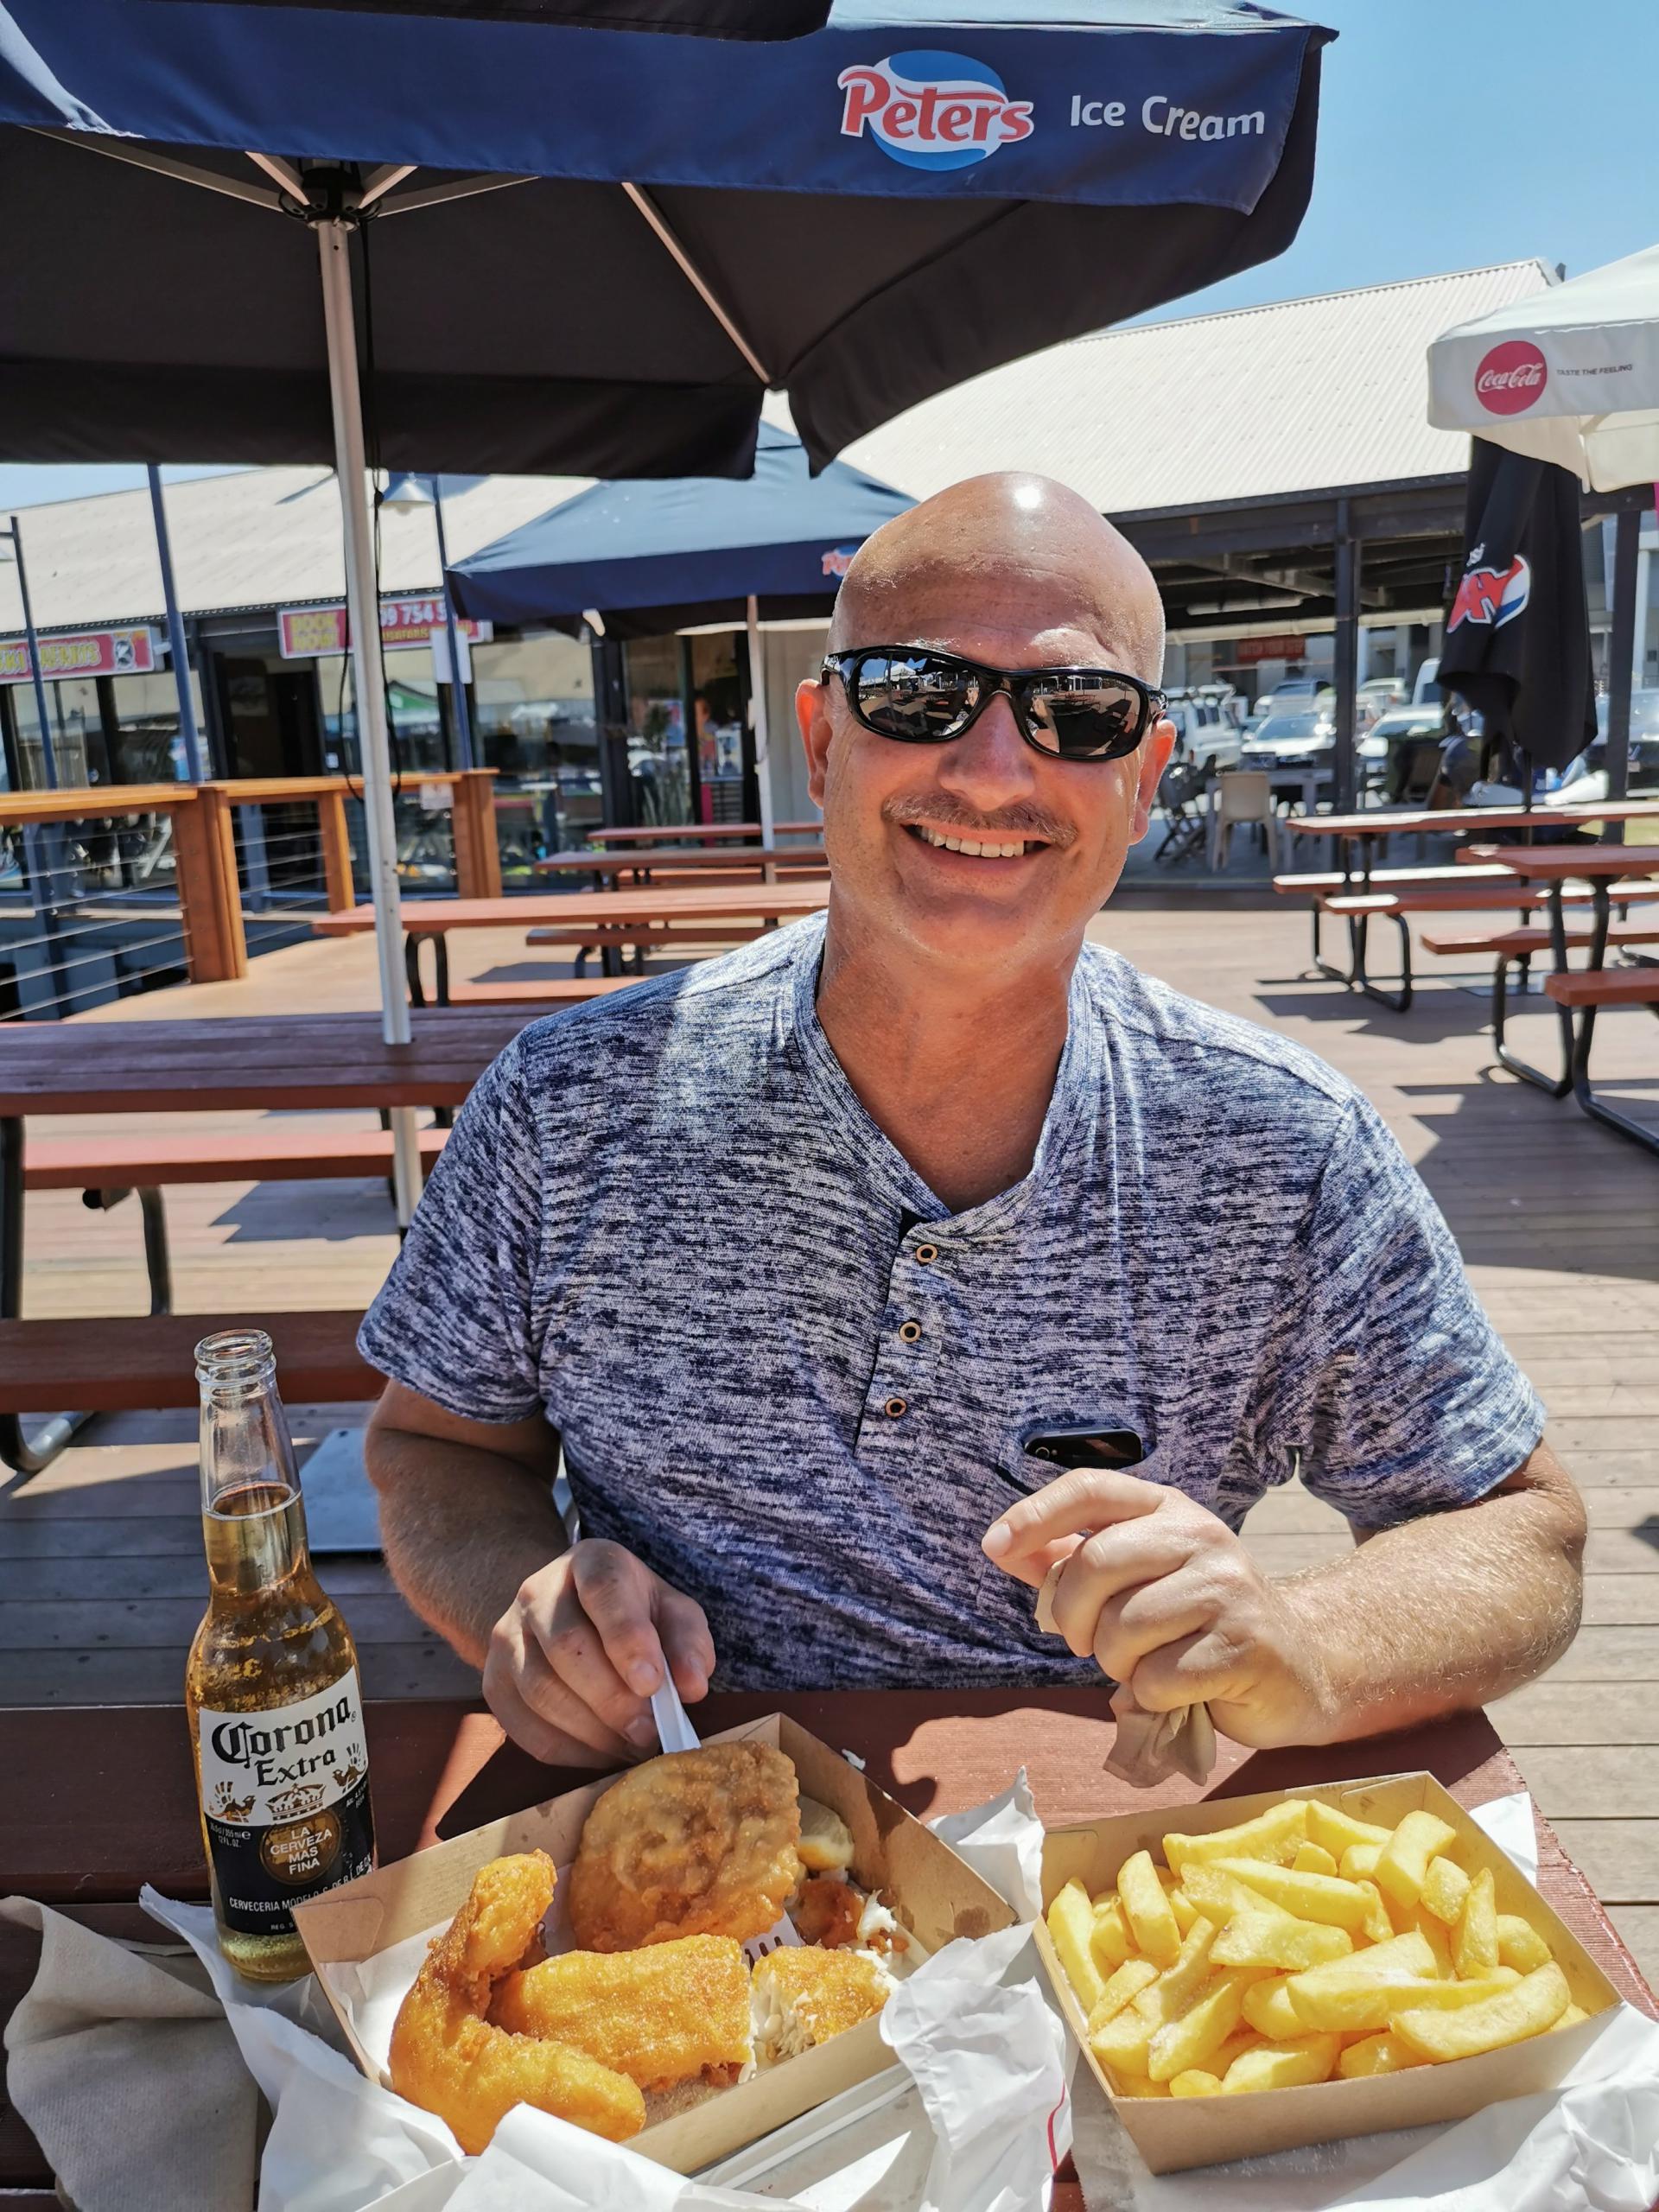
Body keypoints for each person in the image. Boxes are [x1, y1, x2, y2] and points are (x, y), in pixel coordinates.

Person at [359, 474, 1585, 1774]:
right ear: (824, 740)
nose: (995, 770)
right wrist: (525, 1601)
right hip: (682, 1826)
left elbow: (1522, 1531)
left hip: (1106, 1870)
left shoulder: (1284, 1147)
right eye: (917, 692)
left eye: (1081, 713)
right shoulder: (570, 1100)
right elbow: (436, 1449)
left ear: (1144, 775)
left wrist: (1308, 1643)